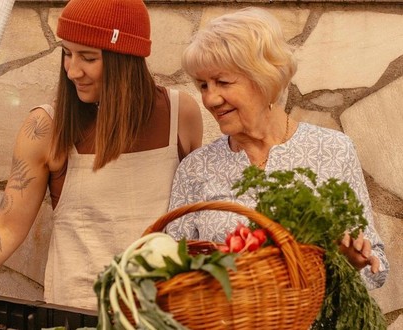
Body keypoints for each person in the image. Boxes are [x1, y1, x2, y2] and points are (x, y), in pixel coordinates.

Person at [0, 0, 203, 328]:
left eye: (89, 57)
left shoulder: (182, 114)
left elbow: (196, 219)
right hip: (79, 314)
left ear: (127, 59)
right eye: (67, 53)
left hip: (166, 312)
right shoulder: (45, 127)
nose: (72, 70)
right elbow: (6, 227)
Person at [164, 7, 388, 289]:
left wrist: (354, 262)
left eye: (222, 82)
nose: (210, 99)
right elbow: (171, 267)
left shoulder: (333, 150)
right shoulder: (196, 168)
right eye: (203, 85)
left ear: (264, 79)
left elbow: (376, 266)